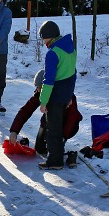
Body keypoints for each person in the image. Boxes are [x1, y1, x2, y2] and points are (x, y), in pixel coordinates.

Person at [9, 69, 82, 167]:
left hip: (68, 126)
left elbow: (72, 118)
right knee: (40, 149)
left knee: (55, 147)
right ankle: (51, 141)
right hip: (49, 123)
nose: (38, 89)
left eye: (39, 87)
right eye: (37, 87)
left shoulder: (66, 95)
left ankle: (62, 150)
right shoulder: (39, 94)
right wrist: (14, 131)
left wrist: (63, 136)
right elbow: (25, 111)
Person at [36, 20, 77, 170]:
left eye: (43, 38)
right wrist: (70, 96)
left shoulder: (52, 53)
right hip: (66, 93)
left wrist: (43, 101)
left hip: (55, 95)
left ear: (48, 36)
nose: (43, 41)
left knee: (52, 129)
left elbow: (49, 80)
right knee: (58, 127)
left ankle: (54, 161)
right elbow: (73, 73)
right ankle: (58, 155)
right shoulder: (70, 49)